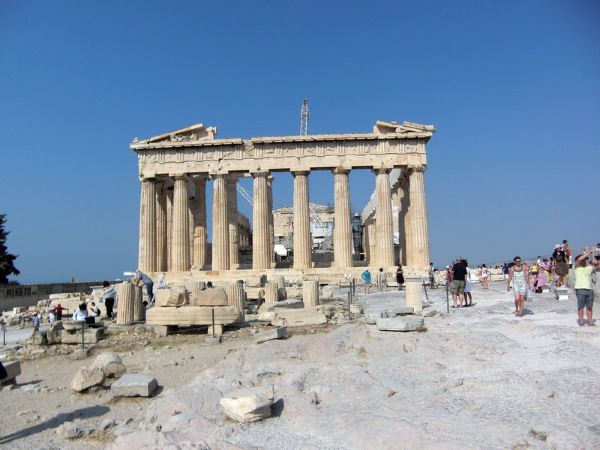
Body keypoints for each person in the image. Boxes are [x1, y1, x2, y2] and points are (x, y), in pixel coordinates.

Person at [573, 250, 598, 326]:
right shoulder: (576, 267)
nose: (584, 260)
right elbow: (579, 259)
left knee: (589, 307)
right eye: (583, 259)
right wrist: (589, 253)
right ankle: (581, 321)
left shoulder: (589, 267)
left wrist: (595, 262)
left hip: (589, 289)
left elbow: (597, 267)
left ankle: (590, 322)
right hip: (580, 289)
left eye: (585, 259)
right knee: (581, 307)